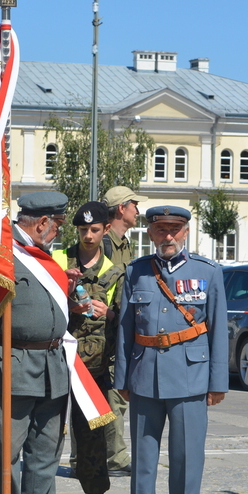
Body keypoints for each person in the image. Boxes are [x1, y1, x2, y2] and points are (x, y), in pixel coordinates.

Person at [114, 205, 228, 494]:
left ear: (186, 231)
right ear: (150, 233)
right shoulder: (136, 272)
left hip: (191, 374)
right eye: (161, 229)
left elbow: (218, 329)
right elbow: (125, 329)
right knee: (144, 457)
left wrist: (217, 382)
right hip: (145, 373)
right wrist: (123, 378)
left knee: (186, 456)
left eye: (174, 229)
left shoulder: (208, 271)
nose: (168, 236)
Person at [0, 191, 70, 494]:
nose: (59, 233)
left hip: (51, 366)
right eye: (57, 225)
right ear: (43, 223)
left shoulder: (44, 256)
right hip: (11, 364)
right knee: (7, 452)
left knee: (46, 450)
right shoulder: (2, 254)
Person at [52, 201, 123, 494]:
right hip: (53, 363)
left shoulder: (115, 272)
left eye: (95, 230)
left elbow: (123, 322)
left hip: (94, 371)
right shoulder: (57, 261)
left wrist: (107, 313)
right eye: (83, 230)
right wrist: (67, 292)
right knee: (46, 438)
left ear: (106, 229)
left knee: (95, 442)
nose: (88, 236)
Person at [96, 185, 148, 478]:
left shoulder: (123, 244)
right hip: (102, 331)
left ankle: (95, 457)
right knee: (106, 396)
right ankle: (112, 458)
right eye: (134, 205)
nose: (137, 210)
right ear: (120, 208)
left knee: (109, 395)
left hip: (118, 329)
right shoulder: (103, 243)